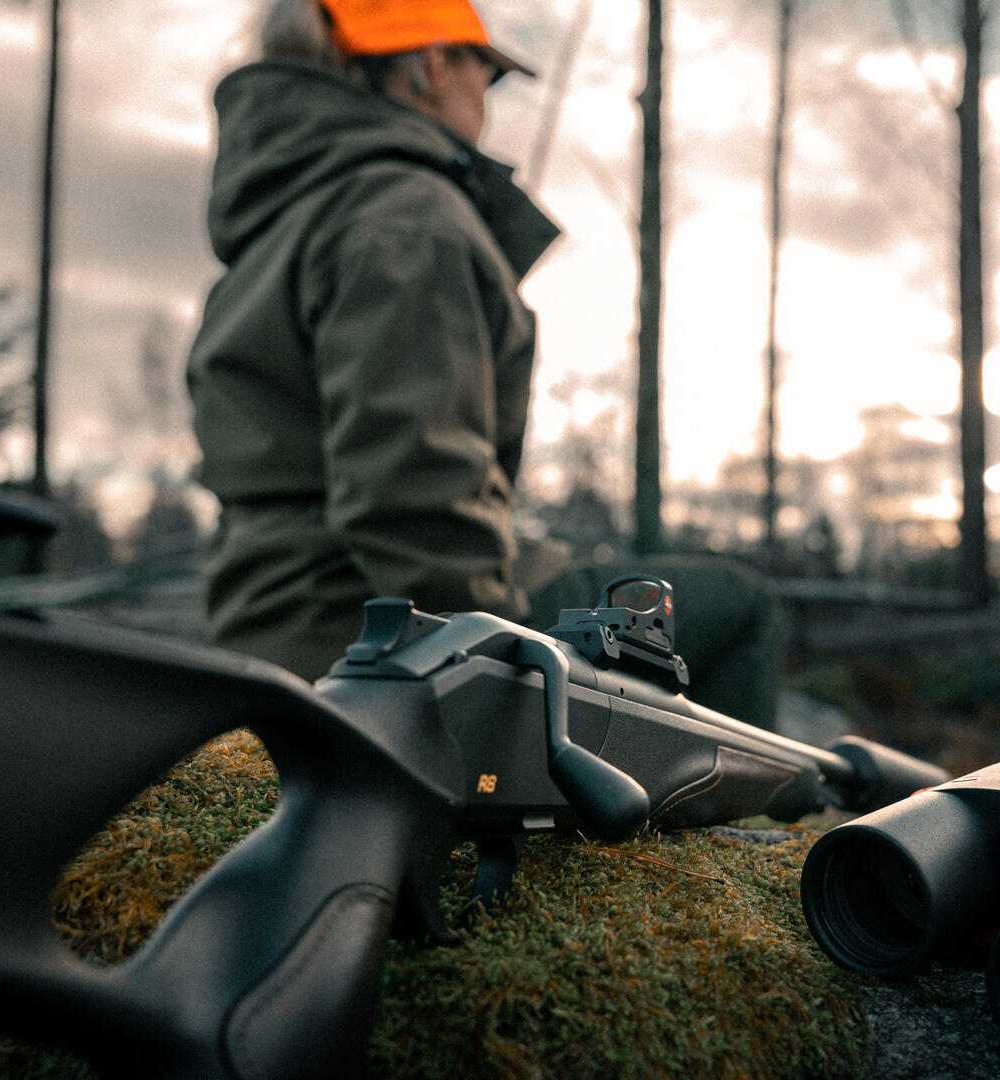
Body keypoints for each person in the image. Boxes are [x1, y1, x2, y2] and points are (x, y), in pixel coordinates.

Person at [187, 0, 781, 726]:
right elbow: (413, 505)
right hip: (376, 639)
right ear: (434, 65)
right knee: (743, 605)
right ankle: (740, 837)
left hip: (270, 623)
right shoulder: (406, 215)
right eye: (486, 76)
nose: (487, 104)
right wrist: (511, 675)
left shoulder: (291, 212)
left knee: (574, 570)